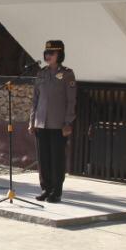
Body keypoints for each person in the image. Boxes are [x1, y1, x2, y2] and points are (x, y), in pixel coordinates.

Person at [29, 39, 77, 203]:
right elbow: (35, 99)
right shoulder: (41, 73)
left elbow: (71, 101)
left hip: (58, 124)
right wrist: (32, 121)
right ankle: (46, 189)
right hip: (41, 123)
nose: (48, 56)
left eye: (52, 53)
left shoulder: (67, 74)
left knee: (57, 159)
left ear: (60, 54)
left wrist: (68, 122)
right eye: (46, 53)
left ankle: (56, 192)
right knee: (43, 159)